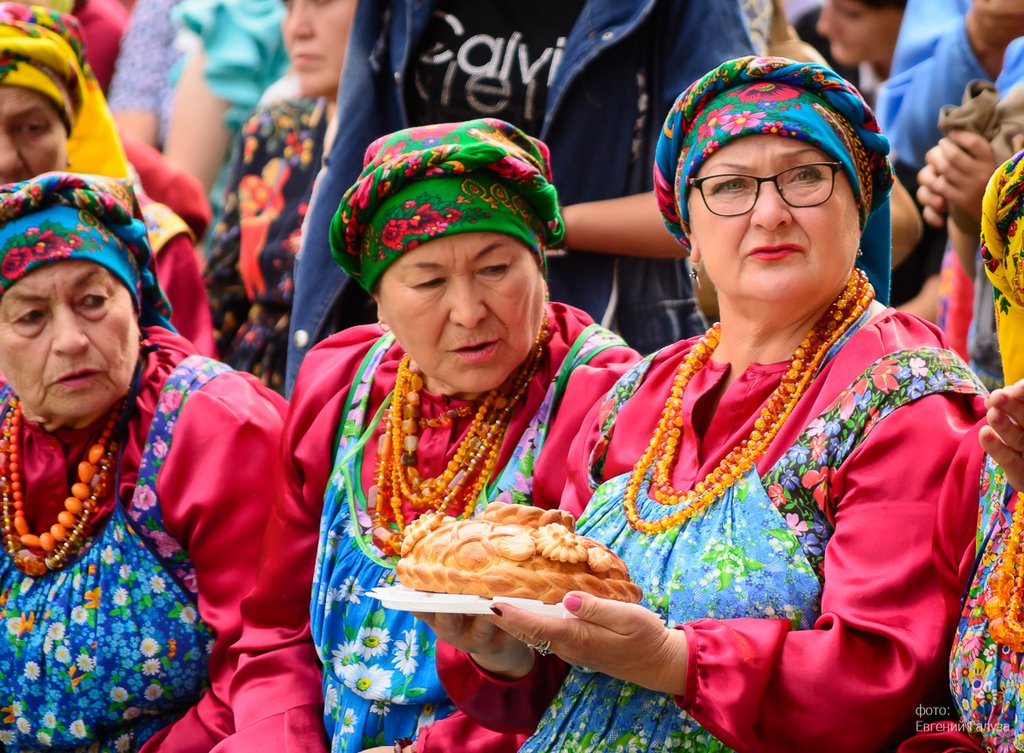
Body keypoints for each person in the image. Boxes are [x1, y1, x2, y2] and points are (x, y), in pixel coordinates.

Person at [425, 56, 989, 753]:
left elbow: (885, 672)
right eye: (729, 186)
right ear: (687, 229)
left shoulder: (906, 397)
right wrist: (505, 653)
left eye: (806, 175)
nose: (770, 211)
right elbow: (557, 665)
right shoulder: (637, 393)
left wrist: (675, 662)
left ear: (861, 200)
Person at [216, 118, 639, 753]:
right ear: (378, 301)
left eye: (496, 268)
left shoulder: (605, 399)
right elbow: (276, 630)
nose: (469, 311)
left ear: (542, 266)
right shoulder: (340, 386)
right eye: (429, 281)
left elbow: (602, 665)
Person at [283, 0, 758, 393]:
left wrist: (526, 227)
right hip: (411, 345)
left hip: (604, 338)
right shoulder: (346, 380)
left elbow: (727, 195)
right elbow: (355, 151)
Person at [0, 172, 287, 751]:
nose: (71, 340)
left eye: (93, 301)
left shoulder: (214, 426)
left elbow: (266, 665)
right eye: (30, 317)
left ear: (136, 299)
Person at [0, 2, 215, 356]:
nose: (8, 158)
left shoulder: (150, 243)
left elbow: (193, 391)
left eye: (32, 128)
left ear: (69, 135)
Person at [204, 0, 356, 393]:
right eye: (289, 7)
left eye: (321, 3)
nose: (298, 28)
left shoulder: (414, 147)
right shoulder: (272, 130)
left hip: (355, 403)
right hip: (252, 396)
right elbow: (222, 296)